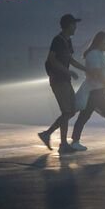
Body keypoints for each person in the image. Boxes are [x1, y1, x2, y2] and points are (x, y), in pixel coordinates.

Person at [37, 14, 90, 154]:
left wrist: (85, 69)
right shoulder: (58, 40)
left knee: (69, 111)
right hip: (58, 80)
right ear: (67, 26)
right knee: (68, 111)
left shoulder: (68, 41)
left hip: (65, 79)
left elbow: (70, 60)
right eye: (73, 25)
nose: (75, 28)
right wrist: (68, 72)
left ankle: (61, 142)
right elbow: (52, 60)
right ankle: (49, 135)